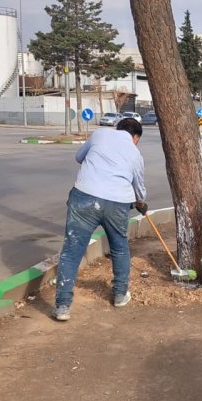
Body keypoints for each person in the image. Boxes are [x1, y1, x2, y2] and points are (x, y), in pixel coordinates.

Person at [53, 116, 148, 322]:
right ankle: (120, 295)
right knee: (119, 248)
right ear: (135, 137)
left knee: (71, 252)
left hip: (84, 197)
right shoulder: (136, 154)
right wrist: (140, 204)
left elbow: (79, 157)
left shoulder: (100, 134)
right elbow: (139, 189)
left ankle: (62, 306)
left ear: (118, 128)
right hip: (117, 203)